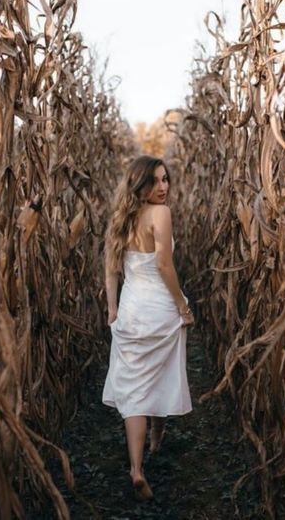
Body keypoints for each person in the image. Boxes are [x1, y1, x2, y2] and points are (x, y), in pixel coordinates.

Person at [102, 154, 194, 501]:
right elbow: (165, 265)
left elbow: (111, 268)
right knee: (165, 372)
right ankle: (157, 440)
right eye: (156, 181)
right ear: (139, 183)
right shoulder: (162, 214)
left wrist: (112, 308)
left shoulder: (120, 219)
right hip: (160, 307)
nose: (164, 187)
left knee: (136, 386)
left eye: (166, 179)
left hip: (131, 308)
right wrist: (183, 306)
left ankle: (136, 468)